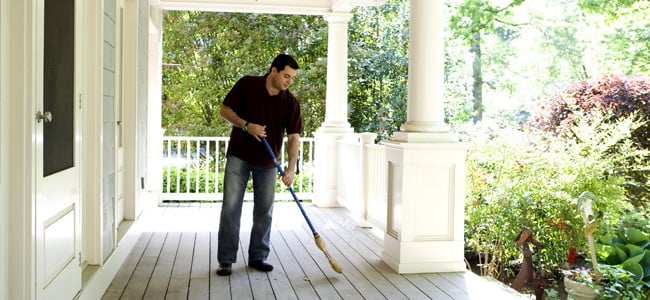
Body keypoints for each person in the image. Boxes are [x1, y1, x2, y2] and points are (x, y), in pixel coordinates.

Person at [216, 54, 303, 276]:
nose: (288, 82)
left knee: (264, 211)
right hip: (239, 157)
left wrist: (291, 168)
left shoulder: (290, 102)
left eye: (292, 78)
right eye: (286, 76)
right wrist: (246, 125)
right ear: (273, 71)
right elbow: (224, 110)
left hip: (268, 162)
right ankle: (226, 259)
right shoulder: (247, 84)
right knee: (231, 207)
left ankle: (258, 256)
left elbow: (294, 138)